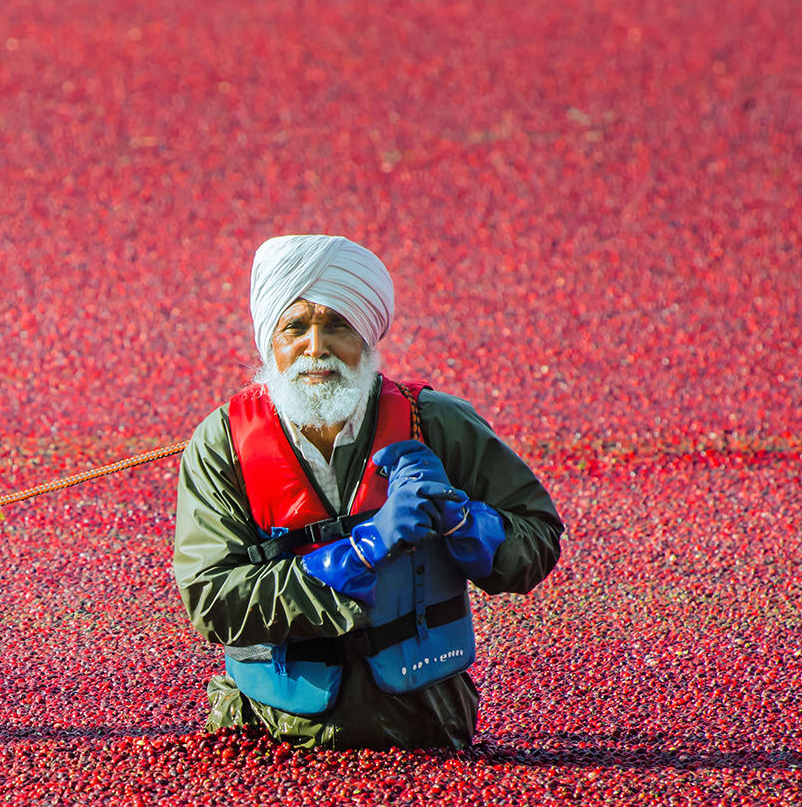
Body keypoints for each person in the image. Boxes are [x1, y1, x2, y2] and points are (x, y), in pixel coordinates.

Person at [173, 235, 562, 748]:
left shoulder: (437, 424)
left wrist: (465, 521)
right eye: (295, 327)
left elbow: (537, 537)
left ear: (367, 336)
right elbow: (211, 598)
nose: (316, 347)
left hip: (424, 723)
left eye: (337, 325)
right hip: (266, 730)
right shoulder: (222, 443)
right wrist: (360, 552)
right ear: (271, 341)